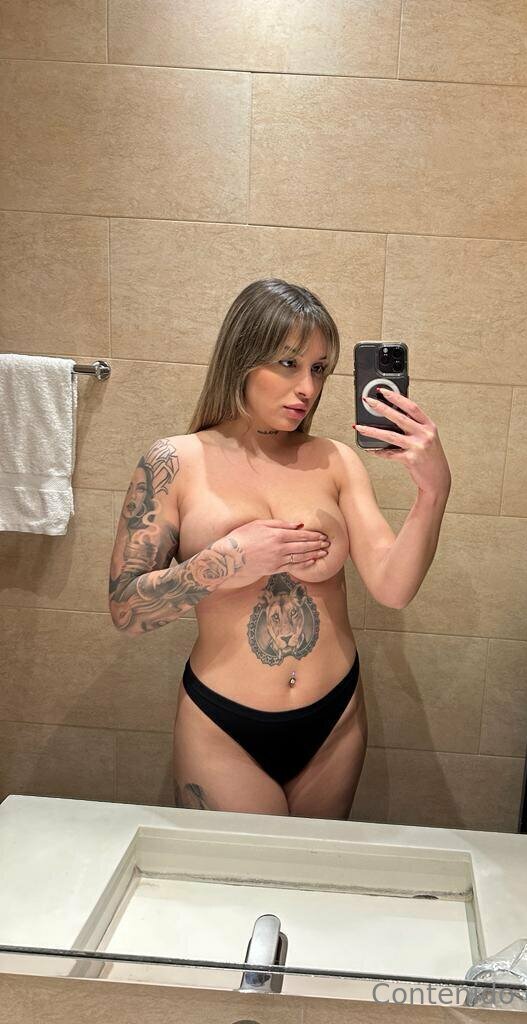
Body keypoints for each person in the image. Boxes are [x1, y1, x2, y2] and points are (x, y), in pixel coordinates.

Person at [108, 279, 451, 819]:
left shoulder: (335, 460)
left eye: (319, 368)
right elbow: (126, 609)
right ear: (241, 359)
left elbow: (393, 587)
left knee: (312, 869)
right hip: (222, 726)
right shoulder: (174, 462)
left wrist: (433, 491)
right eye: (289, 364)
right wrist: (228, 561)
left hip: (335, 720)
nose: (307, 388)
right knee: (242, 870)